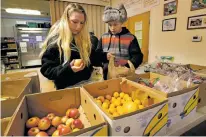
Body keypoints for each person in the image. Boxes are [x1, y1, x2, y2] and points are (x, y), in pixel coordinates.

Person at [40, 3, 99, 89]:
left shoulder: (83, 40)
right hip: (66, 89)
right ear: (66, 20)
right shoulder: (55, 41)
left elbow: (92, 59)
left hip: (85, 84)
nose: (78, 27)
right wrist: (68, 69)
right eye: (74, 22)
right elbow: (47, 70)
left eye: (82, 23)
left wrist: (104, 57)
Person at [96, 4, 143, 80]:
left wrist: (127, 65)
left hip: (124, 74)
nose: (112, 28)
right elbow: (97, 54)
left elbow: (138, 56)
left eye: (115, 24)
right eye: (110, 25)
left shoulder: (130, 38)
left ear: (121, 23)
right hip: (106, 74)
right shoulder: (103, 37)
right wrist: (105, 56)